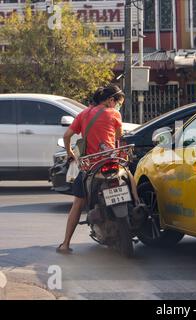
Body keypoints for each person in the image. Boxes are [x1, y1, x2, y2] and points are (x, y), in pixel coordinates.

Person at [57, 85, 129, 254]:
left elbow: (67, 136)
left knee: (78, 203)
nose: (118, 106)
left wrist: (69, 153)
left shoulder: (83, 114)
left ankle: (66, 244)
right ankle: (138, 203)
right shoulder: (114, 113)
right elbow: (118, 136)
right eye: (118, 102)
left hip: (91, 166)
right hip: (111, 162)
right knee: (130, 178)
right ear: (111, 100)